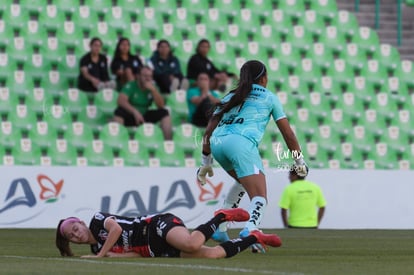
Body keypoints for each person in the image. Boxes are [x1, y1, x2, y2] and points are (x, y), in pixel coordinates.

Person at [197, 60, 308, 252]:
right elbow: (288, 135)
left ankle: (221, 228)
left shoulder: (230, 96)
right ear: (264, 78)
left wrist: (205, 162)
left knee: (242, 182)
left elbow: (208, 130)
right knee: (260, 196)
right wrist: (299, 161)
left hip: (218, 143)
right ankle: (251, 231)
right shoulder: (269, 97)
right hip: (240, 144)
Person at [55, 208, 282, 258]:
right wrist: (109, 255)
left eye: (74, 228)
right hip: (155, 251)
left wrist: (101, 255)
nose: (75, 234)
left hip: (155, 226)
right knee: (213, 255)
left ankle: (221, 216)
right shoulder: (97, 248)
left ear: (82, 224)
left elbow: (115, 229)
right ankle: (254, 238)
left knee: (192, 244)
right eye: (70, 236)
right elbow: (134, 254)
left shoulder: (97, 221)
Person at [113, 66, 173, 140]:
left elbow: (161, 105)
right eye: (145, 76)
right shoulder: (131, 85)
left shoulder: (153, 87)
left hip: (144, 115)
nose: (148, 78)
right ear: (138, 76)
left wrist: (153, 91)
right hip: (131, 115)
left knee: (165, 112)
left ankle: (167, 142)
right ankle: (118, 140)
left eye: (150, 76)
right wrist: (135, 112)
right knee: (119, 111)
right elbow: (120, 100)